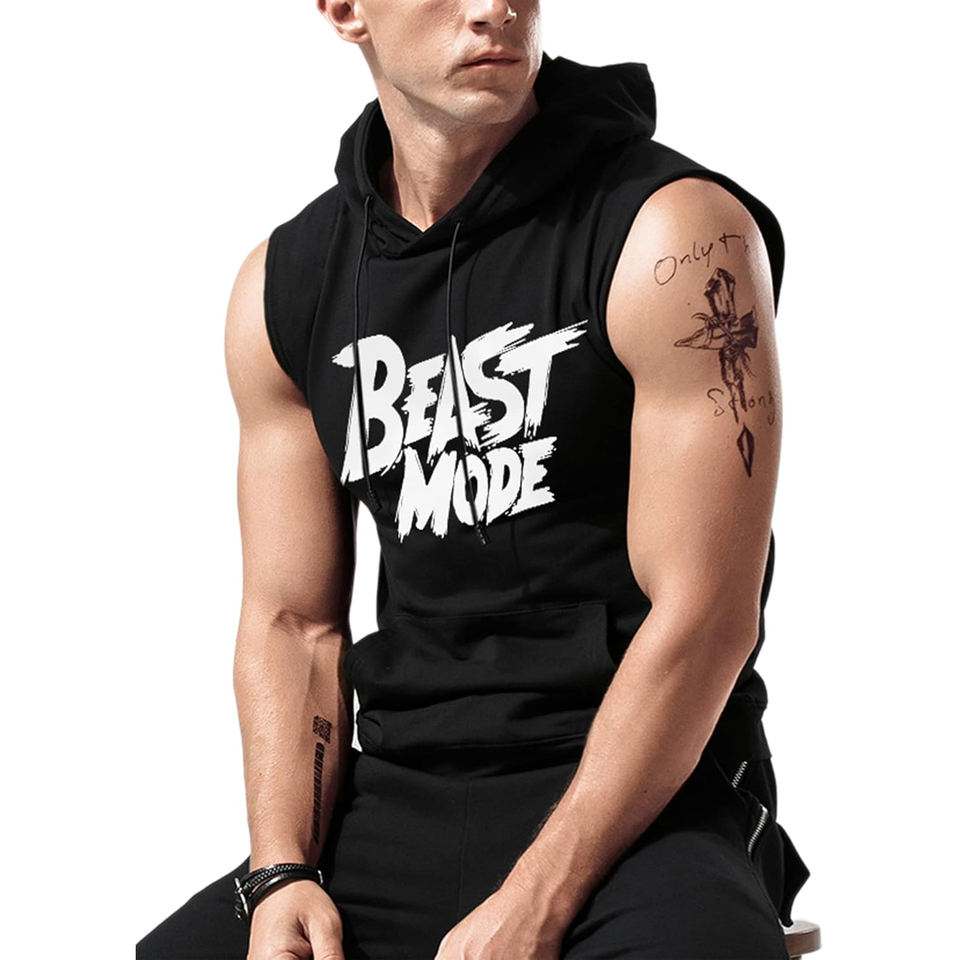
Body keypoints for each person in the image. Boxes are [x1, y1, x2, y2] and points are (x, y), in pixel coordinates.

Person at [137, 2, 812, 958]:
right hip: (400, 794)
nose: (495, 6)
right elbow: (293, 623)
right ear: (345, 10)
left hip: (651, 802)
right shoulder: (287, 286)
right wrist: (281, 871)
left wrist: (537, 898)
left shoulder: (673, 237)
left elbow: (705, 616)